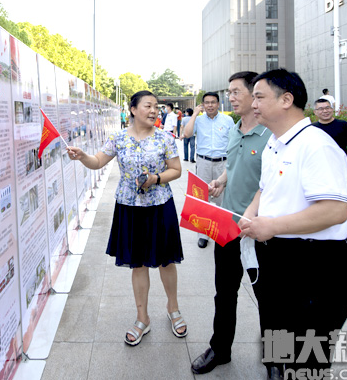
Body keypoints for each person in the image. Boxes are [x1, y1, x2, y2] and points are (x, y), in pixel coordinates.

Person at [239, 69, 347, 378]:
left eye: (259, 97)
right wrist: (251, 213)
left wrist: (273, 226)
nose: (253, 104)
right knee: (279, 333)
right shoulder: (275, 142)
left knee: (307, 360)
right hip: (278, 258)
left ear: (286, 99)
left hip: (315, 266)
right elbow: (265, 188)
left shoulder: (316, 145)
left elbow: (334, 212)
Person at [66, 90, 187, 346]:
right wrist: (82, 156)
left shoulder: (164, 138)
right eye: (148, 106)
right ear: (133, 109)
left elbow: (176, 170)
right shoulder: (118, 138)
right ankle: (143, 318)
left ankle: (173, 308)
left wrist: (156, 178)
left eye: (156, 106)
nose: (153, 111)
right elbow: (97, 162)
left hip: (160, 206)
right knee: (138, 264)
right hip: (130, 208)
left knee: (166, 261)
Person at [191, 71, 271, 375]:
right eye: (230, 92)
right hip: (228, 225)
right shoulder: (235, 130)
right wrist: (222, 180)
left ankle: (276, 359)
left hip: (261, 230)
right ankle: (220, 349)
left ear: (256, 94)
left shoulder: (271, 136)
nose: (231, 98)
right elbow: (235, 165)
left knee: (270, 299)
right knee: (224, 292)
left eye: (237, 92)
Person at [183, 92, 235, 248]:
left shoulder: (228, 120)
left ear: (218, 104)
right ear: (202, 105)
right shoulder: (198, 120)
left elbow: (234, 141)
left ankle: (220, 232)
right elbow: (187, 134)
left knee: (222, 198)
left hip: (222, 163)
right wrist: (194, 115)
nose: (210, 105)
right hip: (203, 162)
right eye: (207, 102)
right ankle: (203, 235)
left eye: (213, 102)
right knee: (202, 197)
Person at [312, 97, 347, 251]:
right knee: (320, 201)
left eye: (327, 108)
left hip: (341, 171)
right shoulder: (312, 129)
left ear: (332, 109)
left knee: (346, 201)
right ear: (315, 112)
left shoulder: (342, 125)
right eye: (320, 109)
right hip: (320, 171)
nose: (325, 111)